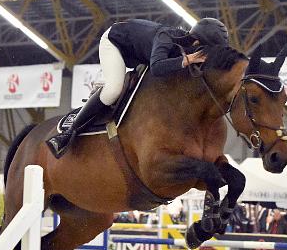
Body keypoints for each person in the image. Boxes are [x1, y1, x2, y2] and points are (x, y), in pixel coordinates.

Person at [46, 17, 229, 158]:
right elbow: (157, 67)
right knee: (113, 90)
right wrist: (188, 60)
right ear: (197, 43)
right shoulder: (167, 37)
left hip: (139, 55)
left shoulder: (188, 47)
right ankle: (68, 134)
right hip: (115, 44)